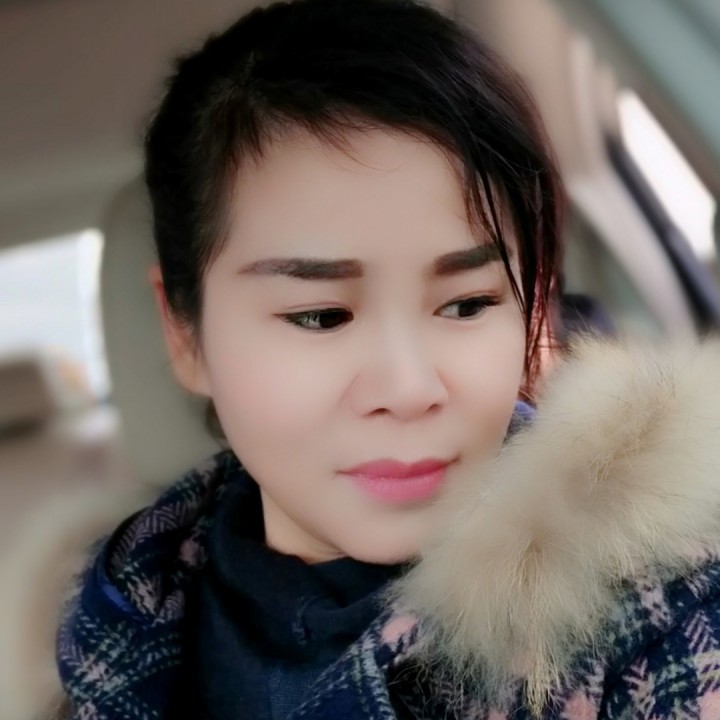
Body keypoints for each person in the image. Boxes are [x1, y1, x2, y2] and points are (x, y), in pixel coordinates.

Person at [36, 0, 720, 717]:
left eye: (467, 304)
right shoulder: (114, 627)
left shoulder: (663, 615)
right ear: (185, 335)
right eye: (321, 316)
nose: (408, 387)